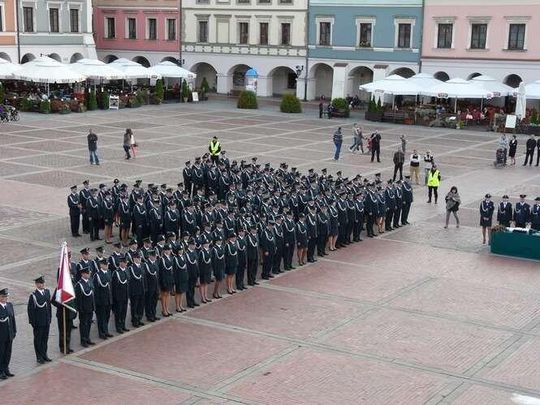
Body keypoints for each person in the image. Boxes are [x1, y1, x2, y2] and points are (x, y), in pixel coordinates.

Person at [74, 268, 95, 348]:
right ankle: (83, 340)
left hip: (90, 307)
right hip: (83, 308)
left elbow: (92, 294)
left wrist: (93, 306)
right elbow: (78, 299)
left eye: (89, 273)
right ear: (83, 274)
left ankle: (87, 338)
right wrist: (80, 309)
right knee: (83, 324)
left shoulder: (89, 281)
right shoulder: (79, 285)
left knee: (89, 323)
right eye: (87, 273)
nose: (89, 274)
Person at [93, 258, 113, 339]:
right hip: (101, 300)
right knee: (101, 317)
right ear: (101, 265)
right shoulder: (97, 275)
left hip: (108, 299)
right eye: (105, 264)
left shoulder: (109, 272)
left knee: (107, 316)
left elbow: (110, 286)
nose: (107, 266)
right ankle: (101, 333)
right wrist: (97, 302)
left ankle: (106, 331)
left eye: (107, 264)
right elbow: (96, 290)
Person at [0, 288, 16, 379]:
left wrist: (14, 331)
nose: (5, 298)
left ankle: (6, 369)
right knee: (1, 353)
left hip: (9, 334)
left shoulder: (9, 305)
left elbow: (12, 320)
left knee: (8, 352)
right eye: (3, 296)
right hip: (1, 336)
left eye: (6, 296)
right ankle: (1, 371)